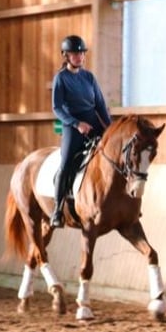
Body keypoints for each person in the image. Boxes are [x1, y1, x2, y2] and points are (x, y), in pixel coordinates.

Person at [50, 34, 112, 227]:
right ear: (66, 56)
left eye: (81, 53)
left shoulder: (89, 77)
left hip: (93, 122)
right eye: (74, 54)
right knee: (66, 163)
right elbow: (57, 108)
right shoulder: (61, 78)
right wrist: (77, 124)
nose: (79, 57)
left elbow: (100, 105)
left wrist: (110, 128)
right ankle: (57, 209)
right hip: (73, 126)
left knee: (116, 154)